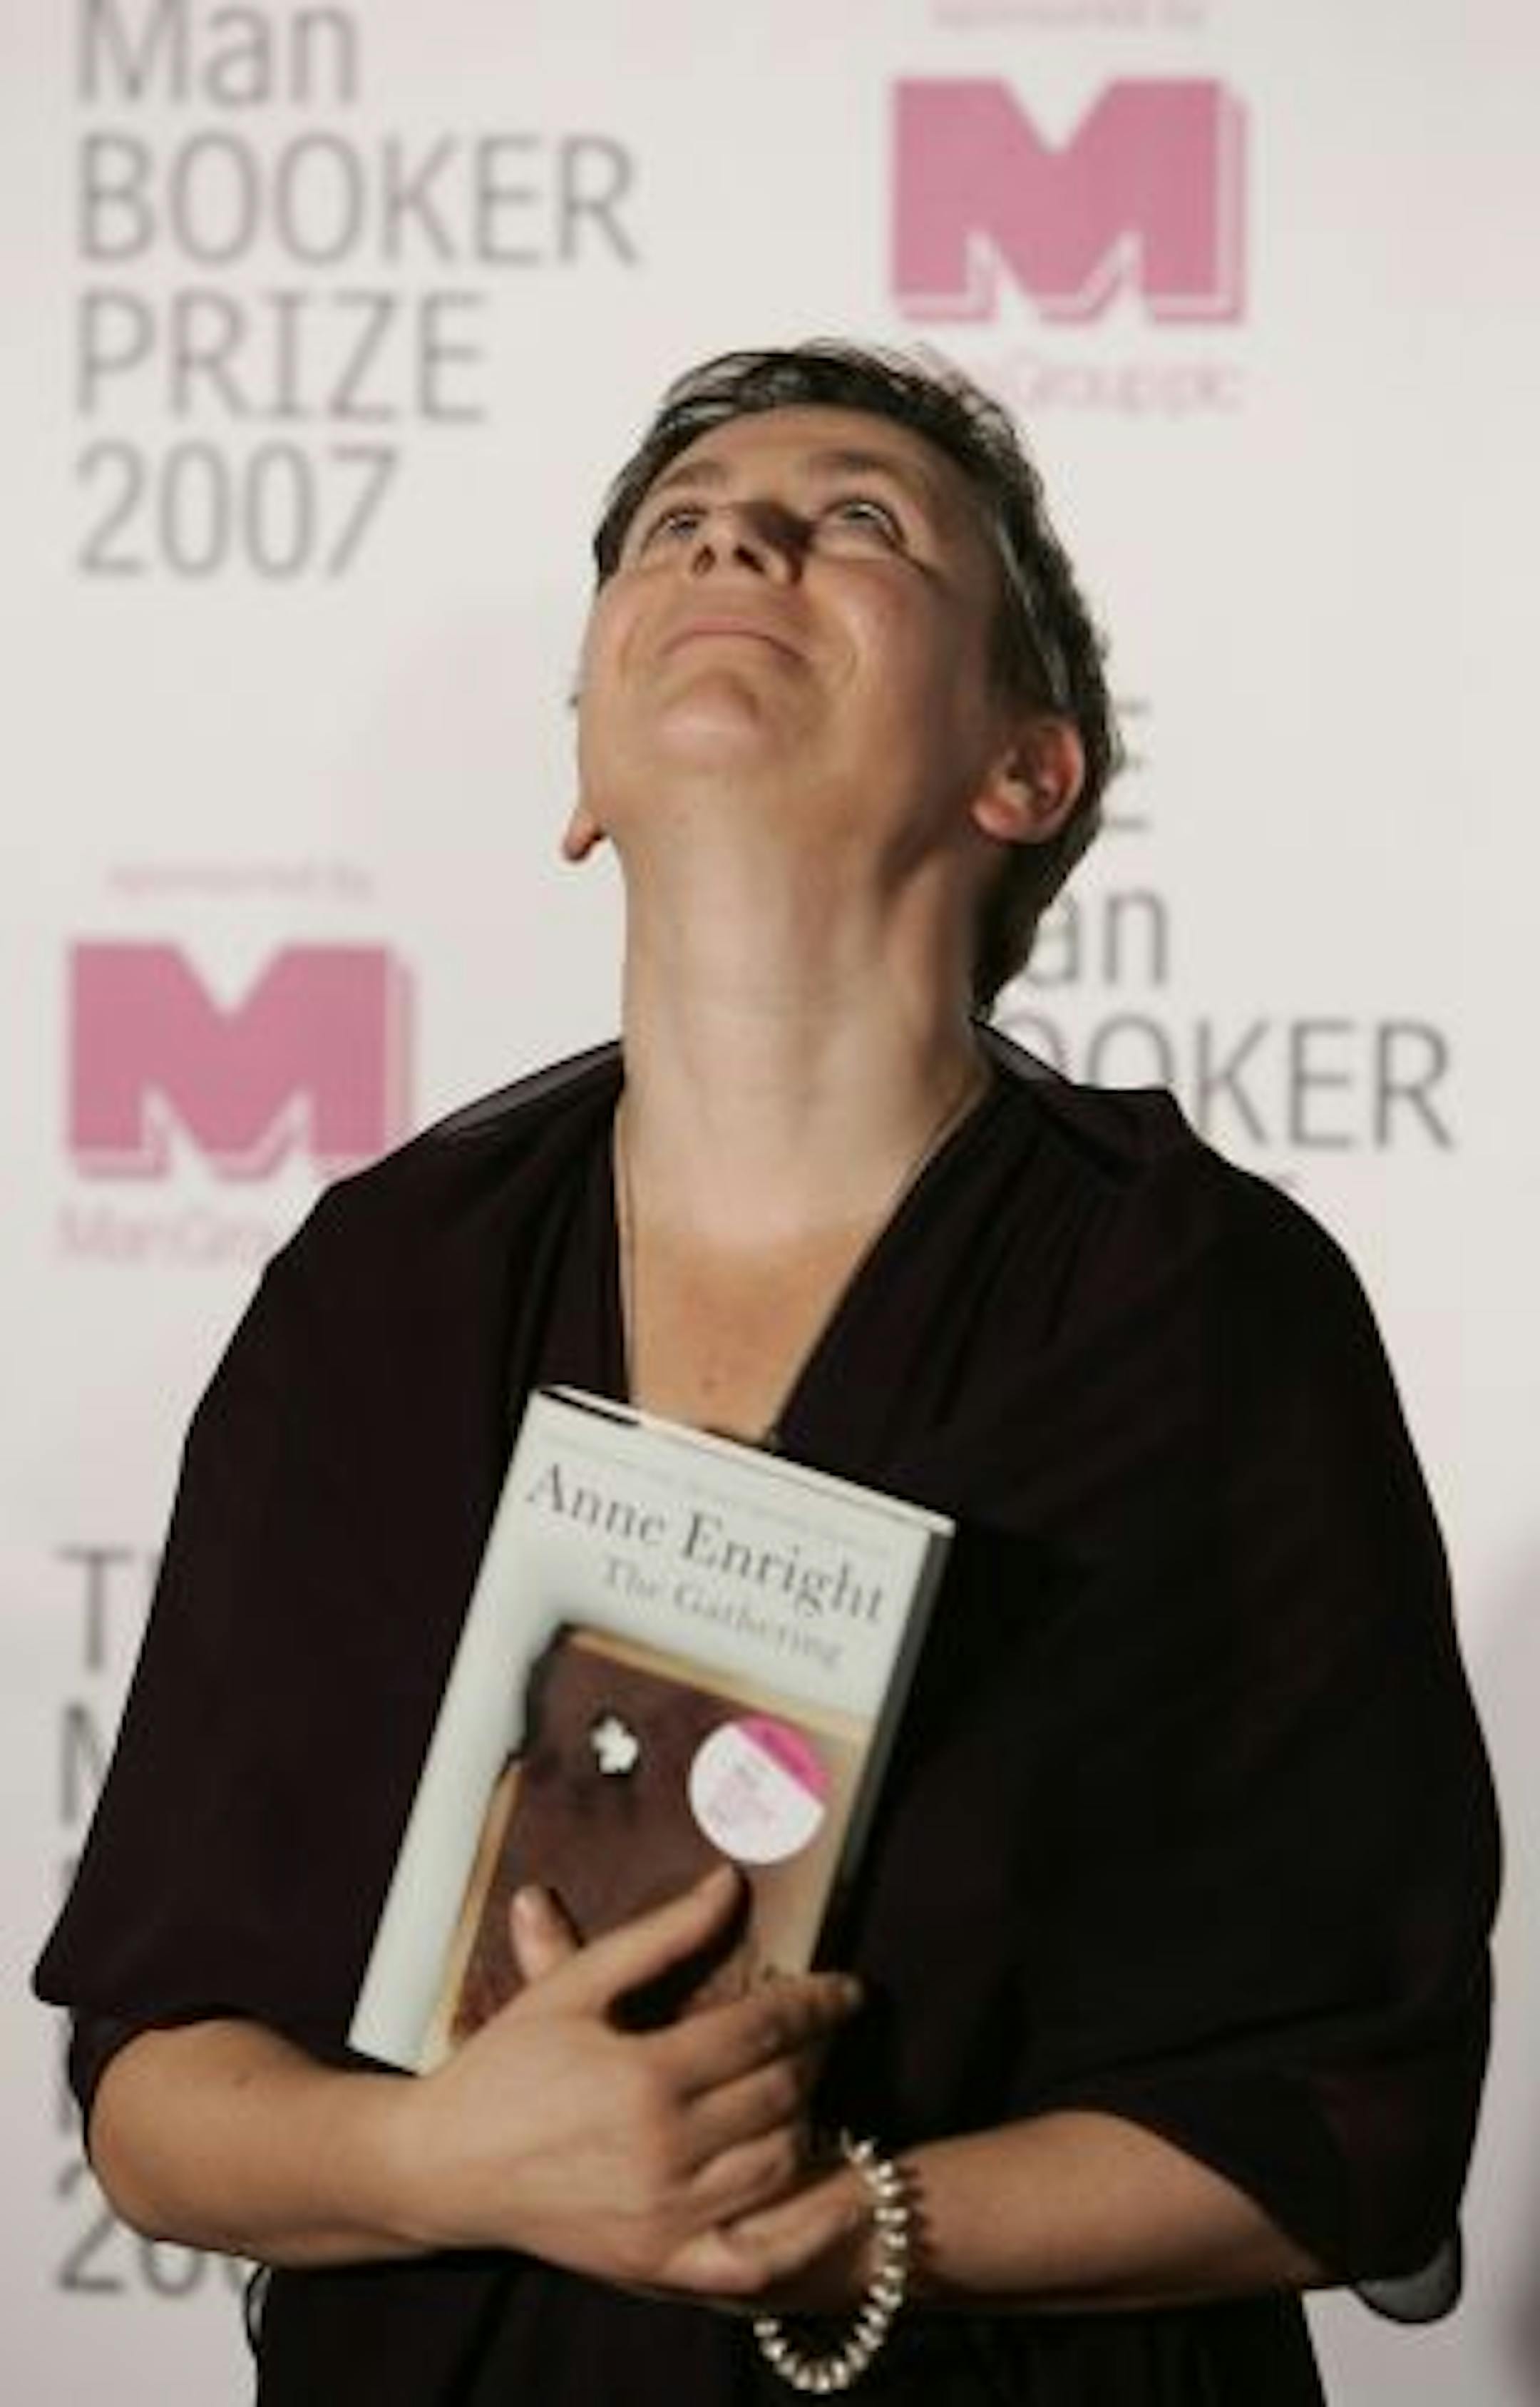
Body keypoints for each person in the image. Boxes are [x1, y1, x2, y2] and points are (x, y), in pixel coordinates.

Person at [36, 341, 1499, 2406]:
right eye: (674, 526)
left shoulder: (1200, 1307)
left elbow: (1349, 2113)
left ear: (1027, 771)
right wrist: (442, 2154)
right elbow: (154, 2087)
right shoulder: (380, 1293)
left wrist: (825, 2230)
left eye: (862, 520)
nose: (735, 533)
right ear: (582, 771)